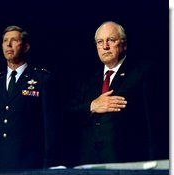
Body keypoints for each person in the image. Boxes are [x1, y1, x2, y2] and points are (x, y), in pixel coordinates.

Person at [68, 21, 168, 166]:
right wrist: (92, 106)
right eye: (100, 42)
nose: (105, 46)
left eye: (111, 40)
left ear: (124, 44)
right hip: (90, 162)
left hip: (130, 161)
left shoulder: (144, 72)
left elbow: (155, 124)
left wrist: (154, 164)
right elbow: (67, 116)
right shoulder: (87, 80)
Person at [0, 25, 62, 174]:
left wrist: (49, 165)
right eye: (5, 41)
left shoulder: (41, 79)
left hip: (28, 162)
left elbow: (49, 127)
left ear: (25, 47)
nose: (8, 45)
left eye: (14, 40)